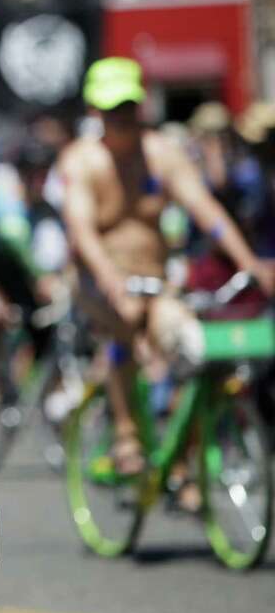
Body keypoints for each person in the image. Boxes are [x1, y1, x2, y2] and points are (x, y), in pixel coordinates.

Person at [59, 58, 275, 486]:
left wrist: (248, 261)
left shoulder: (161, 153)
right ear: (95, 111)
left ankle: (181, 456)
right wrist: (110, 281)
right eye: (111, 109)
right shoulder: (81, 161)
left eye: (127, 107)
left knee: (191, 347)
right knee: (125, 322)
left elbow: (205, 209)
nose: (121, 118)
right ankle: (124, 435)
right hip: (98, 282)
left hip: (154, 282)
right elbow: (82, 233)